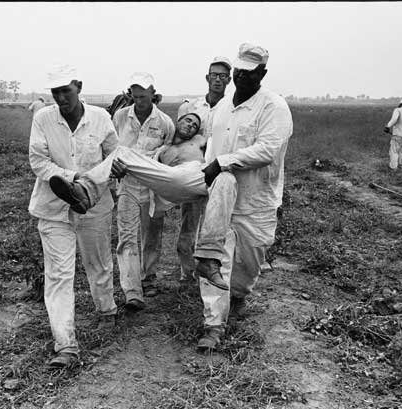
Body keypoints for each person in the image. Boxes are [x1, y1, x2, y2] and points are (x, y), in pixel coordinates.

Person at [48, 112, 231, 286]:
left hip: (195, 176)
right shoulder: (162, 149)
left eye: (195, 125)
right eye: (188, 120)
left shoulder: (199, 141)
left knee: (190, 231)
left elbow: (222, 144)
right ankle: (85, 191)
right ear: (178, 121)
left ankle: (199, 266)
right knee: (122, 153)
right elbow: (142, 163)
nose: (190, 125)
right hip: (169, 182)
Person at [193, 42, 293, 351]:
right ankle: (213, 325)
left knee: (249, 264)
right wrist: (204, 173)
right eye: (238, 72)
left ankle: (237, 295)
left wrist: (221, 163)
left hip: (257, 201)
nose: (241, 78)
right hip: (222, 198)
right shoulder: (222, 108)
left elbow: (267, 150)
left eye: (249, 73)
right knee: (215, 256)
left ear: (262, 73)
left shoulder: (273, 107)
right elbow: (211, 147)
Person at [28, 64, 119, 369]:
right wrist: (72, 177)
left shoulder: (100, 118)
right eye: (55, 92)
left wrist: (113, 170)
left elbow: (114, 154)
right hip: (54, 206)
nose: (60, 98)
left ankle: (106, 311)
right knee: (58, 275)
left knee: (98, 261)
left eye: (65, 91)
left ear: (78, 86)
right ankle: (66, 345)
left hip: (94, 202)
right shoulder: (43, 119)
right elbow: (38, 161)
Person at [111, 72, 175, 309]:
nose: (140, 101)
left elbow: (169, 151)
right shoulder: (120, 117)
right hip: (127, 184)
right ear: (131, 95)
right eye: (135, 96)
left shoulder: (164, 122)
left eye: (144, 96)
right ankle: (132, 291)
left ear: (152, 94)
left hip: (152, 186)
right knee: (127, 236)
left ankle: (149, 277)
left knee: (152, 235)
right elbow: (111, 146)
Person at [175, 56, 232, 283]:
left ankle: (209, 272)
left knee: (214, 223)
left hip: (217, 172)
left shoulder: (231, 108)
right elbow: (180, 137)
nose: (217, 80)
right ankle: (186, 273)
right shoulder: (191, 107)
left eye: (223, 76)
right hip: (192, 171)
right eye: (214, 75)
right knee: (189, 221)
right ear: (207, 77)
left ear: (229, 80)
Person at [384, 98, 402, 171]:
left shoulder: (397, 110)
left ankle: (393, 168)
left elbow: (394, 120)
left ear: (400, 104)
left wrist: (387, 126)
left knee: (394, 151)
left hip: (398, 135)